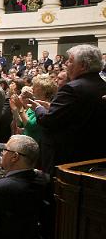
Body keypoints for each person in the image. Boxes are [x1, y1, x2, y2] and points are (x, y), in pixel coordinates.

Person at [34, 44, 106, 174]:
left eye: (71, 60)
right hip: (93, 157)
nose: (66, 63)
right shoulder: (103, 85)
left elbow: (49, 121)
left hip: (65, 159)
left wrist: (39, 109)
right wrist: (52, 108)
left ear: (83, 66)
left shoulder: (71, 88)